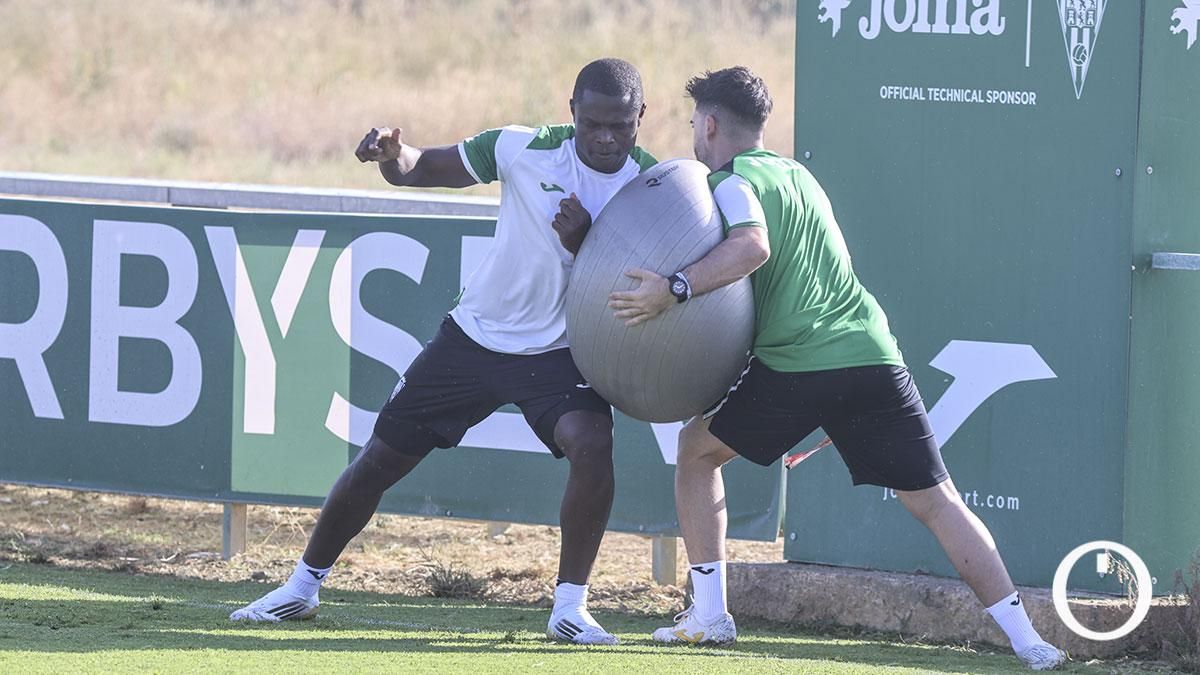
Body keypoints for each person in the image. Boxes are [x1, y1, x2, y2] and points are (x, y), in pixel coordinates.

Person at [607, 66, 1066, 671]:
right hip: (873, 355)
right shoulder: (800, 175)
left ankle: (710, 617)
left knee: (696, 451)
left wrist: (674, 288)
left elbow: (752, 247)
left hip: (798, 364)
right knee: (939, 503)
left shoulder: (731, 181)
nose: (693, 134)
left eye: (694, 123)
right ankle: (1030, 643)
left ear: (710, 124)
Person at [230, 57, 657, 646]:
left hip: (560, 352)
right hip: (475, 338)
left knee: (592, 444)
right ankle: (302, 586)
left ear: (642, 116)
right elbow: (421, 167)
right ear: (572, 113)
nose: (606, 138)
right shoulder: (521, 147)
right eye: (593, 124)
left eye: (620, 125)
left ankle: (570, 608)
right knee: (379, 459)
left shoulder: (652, 187)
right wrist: (391, 156)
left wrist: (589, 244)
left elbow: (647, 285)